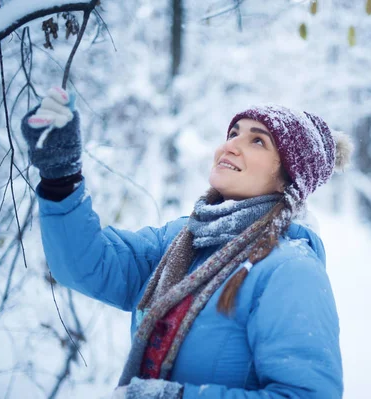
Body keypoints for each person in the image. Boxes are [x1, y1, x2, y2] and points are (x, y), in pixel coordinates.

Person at [21, 87, 351, 399]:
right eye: (234, 133)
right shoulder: (180, 242)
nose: (231, 145)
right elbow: (88, 265)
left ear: (288, 181)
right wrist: (61, 178)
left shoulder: (290, 271)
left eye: (258, 141)